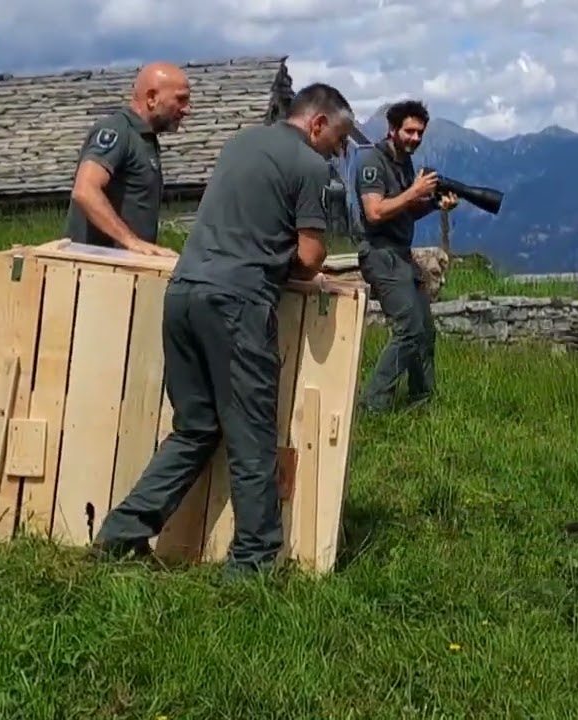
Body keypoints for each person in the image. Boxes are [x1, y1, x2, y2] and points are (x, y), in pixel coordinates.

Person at [91, 82, 357, 577]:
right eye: (338, 140)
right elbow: (310, 255)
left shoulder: (240, 143)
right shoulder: (311, 166)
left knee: (195, 429)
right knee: (252, 435)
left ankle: (121, 534)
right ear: (317, 123)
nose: (339, 152)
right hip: (237, 304)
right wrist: (304, 272)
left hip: (184, 293)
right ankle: (251, 565)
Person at [354, 99, 459, 412]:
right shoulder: (372, 161)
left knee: (425, 331)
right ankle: (372, 405)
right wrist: (415, 192)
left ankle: (421, 402)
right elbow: (374, 212)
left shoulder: (404, 163)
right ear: (393, 129)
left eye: (420, 133)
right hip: (379, 254)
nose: (415, 138)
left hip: (400, 253)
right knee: (408, 330)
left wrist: (432, 205)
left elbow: (402, 213)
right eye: (410, 131)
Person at [64, 61, 192, 257]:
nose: (187, 109)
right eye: (180, 100)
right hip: (98, 272)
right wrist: (132, 242)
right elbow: (84, 190)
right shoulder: (117, 131)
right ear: (151, 98)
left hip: (123, 272)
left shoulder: (144, 138)